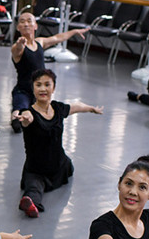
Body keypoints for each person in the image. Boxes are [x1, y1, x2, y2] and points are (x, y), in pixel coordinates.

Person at [13, 69, 104, 217]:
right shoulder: (29, 113)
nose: (43, 89)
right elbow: (26, 115)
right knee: (34, 188)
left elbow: (76, 106)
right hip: (37, 169)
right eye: (38, 85)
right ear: (33, 88)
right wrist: (24, 117)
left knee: (70, 167)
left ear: (53, 88)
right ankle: (30, 203)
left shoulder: (58, 108)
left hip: (59, 164)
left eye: (47, 84)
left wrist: (91, 109)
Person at [10, 11, 88, 132]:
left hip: (39, 91)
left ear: (35, 26)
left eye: (29, 21)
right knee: (19, 113)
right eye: (22, 22)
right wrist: (20, 44)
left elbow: (57, 38)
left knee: (43, 116)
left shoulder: (40, 42)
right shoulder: (17, 47)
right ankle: (16, 116)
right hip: (23, 90)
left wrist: (74, 32)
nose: (26, 24)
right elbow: (16, 50)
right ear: (18, 27)